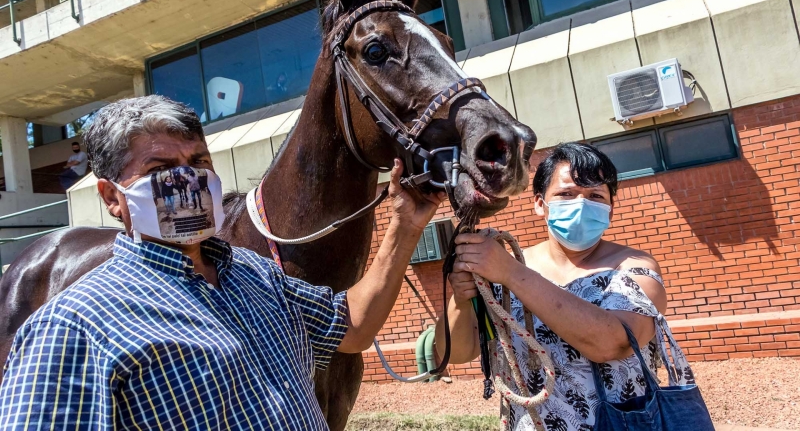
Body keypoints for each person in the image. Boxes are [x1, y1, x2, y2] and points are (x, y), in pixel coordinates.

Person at [0, 95, 444, 430]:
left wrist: (405, 225)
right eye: (160, 170)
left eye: (198, 162)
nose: (188, 179)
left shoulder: (255, 273)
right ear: (112, 197)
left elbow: (355, 327)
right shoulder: (71, 329)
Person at [437, 142, 694, 431]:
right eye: (566, 194)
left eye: (595, 195)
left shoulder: (634, 267)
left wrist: (511, 272)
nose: (581, 204)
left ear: (610, 209)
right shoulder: (500, 272)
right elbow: (456, 354)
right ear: (539, 203)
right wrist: (460, 299)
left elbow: (614, 343)